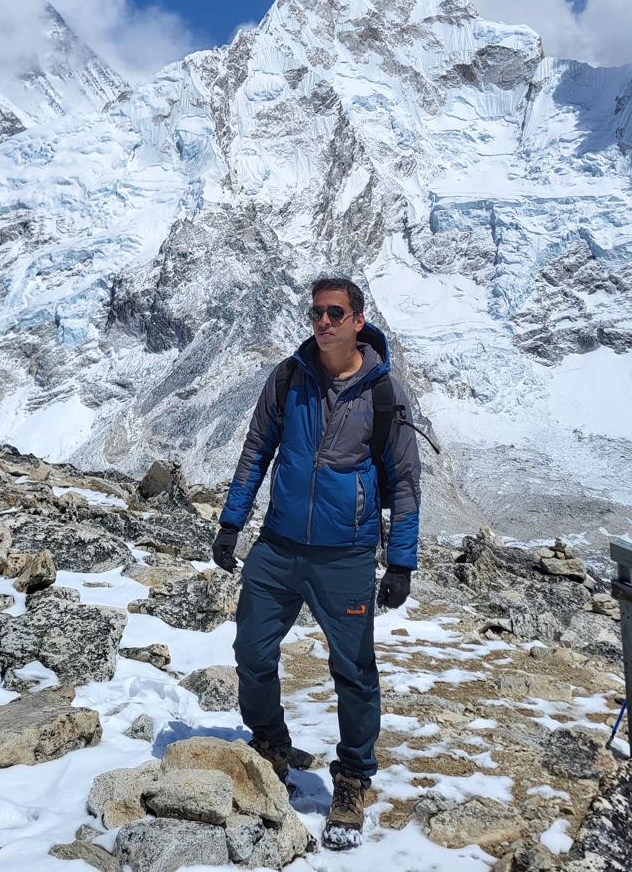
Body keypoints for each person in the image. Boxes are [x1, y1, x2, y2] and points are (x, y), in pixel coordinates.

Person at [212, 276, 421, 851]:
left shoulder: (385, 393)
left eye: (335, 313)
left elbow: (405, 482)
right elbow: (256, 451)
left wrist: (400, 562)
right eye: (316, 313)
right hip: (278, 546)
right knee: (252, 651)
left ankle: (352, 778)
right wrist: (231, 523)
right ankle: (270, 745)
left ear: (358, 321)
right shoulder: (288, 379)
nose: (323, 322)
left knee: (354, 670)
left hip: (346, 556)